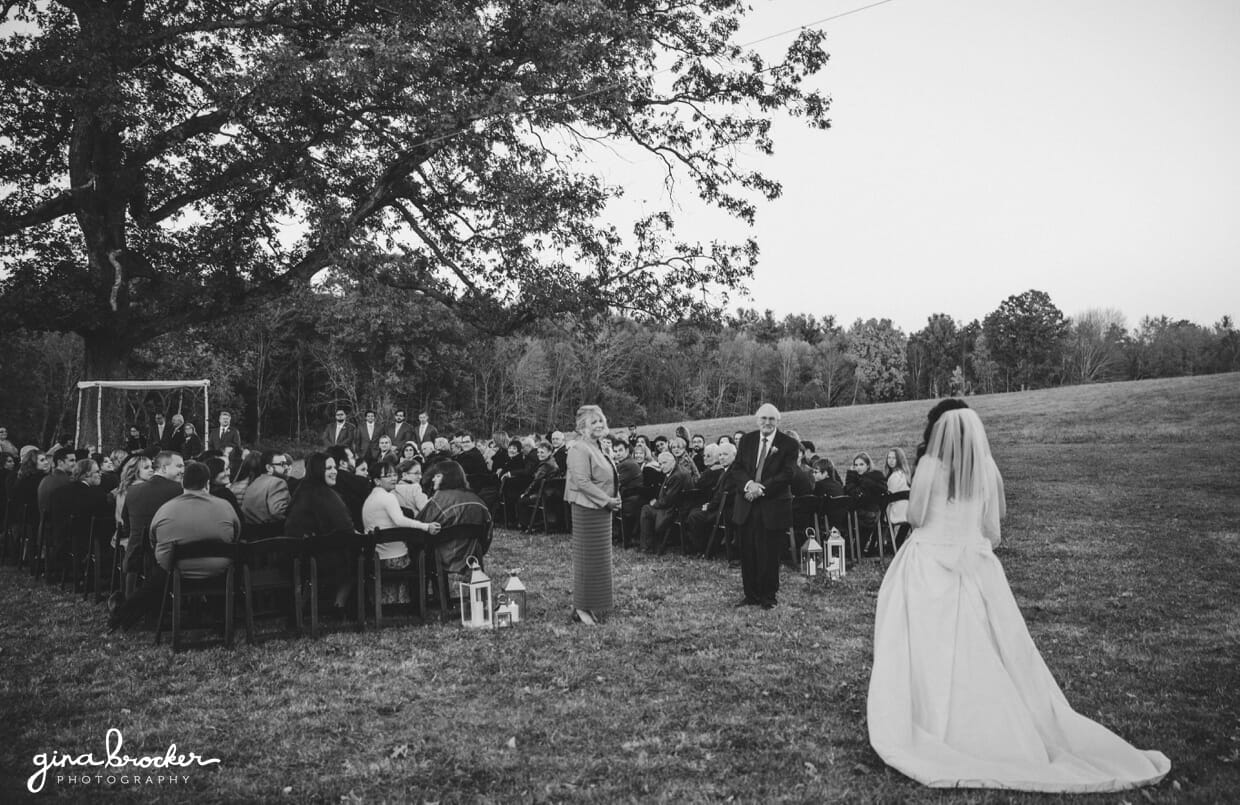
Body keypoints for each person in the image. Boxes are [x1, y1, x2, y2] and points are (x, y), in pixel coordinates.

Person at [868, 402, 1170, 792]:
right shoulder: (987, 470)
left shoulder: (929, 467)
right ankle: (990, 724)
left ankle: (928, 719)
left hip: (928, 561)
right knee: (986, 649)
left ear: (939, 432)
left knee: (928, 646)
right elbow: (992, 529)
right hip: (975, 565)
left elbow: (916, 517)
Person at [107, 460, 240, 632]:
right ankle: (223, 616)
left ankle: (126, 614)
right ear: (207, 483)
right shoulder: (225, 506)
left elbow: (153, 539)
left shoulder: (166, 509)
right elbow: (236, 534)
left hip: (177, 570)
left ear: (182, 483)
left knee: (156, 578)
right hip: (219, 569)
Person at [730, 403, 800, 609]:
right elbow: (737, 468)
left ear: (778, 421)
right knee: (748, 550)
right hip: (747, 503)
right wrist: (748, 485)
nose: (767, 423)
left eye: (771, 419)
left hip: (772, 504)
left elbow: (788, 473)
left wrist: (761, 489)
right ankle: (750, 595)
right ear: (757, 420)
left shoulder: (788, 444)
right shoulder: (747, 440)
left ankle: (768, 596)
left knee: (769, 552)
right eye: (763, 419)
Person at [565, 405, 621, 624]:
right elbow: (582, 482)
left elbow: (609, 476)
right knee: (586, 559)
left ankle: (592, 603)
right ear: (582, 427)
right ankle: (582, 607)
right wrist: (606, 500)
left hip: (602, 509)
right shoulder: (579, 448)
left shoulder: (598, 446)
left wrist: (615, 497)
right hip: (587, 509)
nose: (599, 425)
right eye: (593, 422)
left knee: (599, 560)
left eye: (600, 421)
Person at [363, 455, 442, 605]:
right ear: (377, 481)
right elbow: (400, 520)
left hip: (376, 556)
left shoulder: (370, 498)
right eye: (387, 476)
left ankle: (393, 603)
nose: (393, 478)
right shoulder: (387, 497)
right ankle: (416, 603)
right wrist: (427, 526)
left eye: (394, 474)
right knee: (421, 556)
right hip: (394, 559)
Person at [418, 460, 492, 599]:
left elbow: (420, 527)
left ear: (448, 477)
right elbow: (488, 532)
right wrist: (478, 549)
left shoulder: (439, 500)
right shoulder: (477, 500)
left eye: (437, 476)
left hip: (442, 555)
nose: (433, 479)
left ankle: (425, 599)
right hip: (473, 554)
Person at [884, 447, 912, 548]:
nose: (890, 461)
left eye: (894, 458)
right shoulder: (905, 475)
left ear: (899, 460)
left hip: (896, 512)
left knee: (879, 513)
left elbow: (889, 497)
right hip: (908, 512)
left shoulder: (894, 476)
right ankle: (896, 543)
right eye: (889, 458)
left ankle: (887, 544)